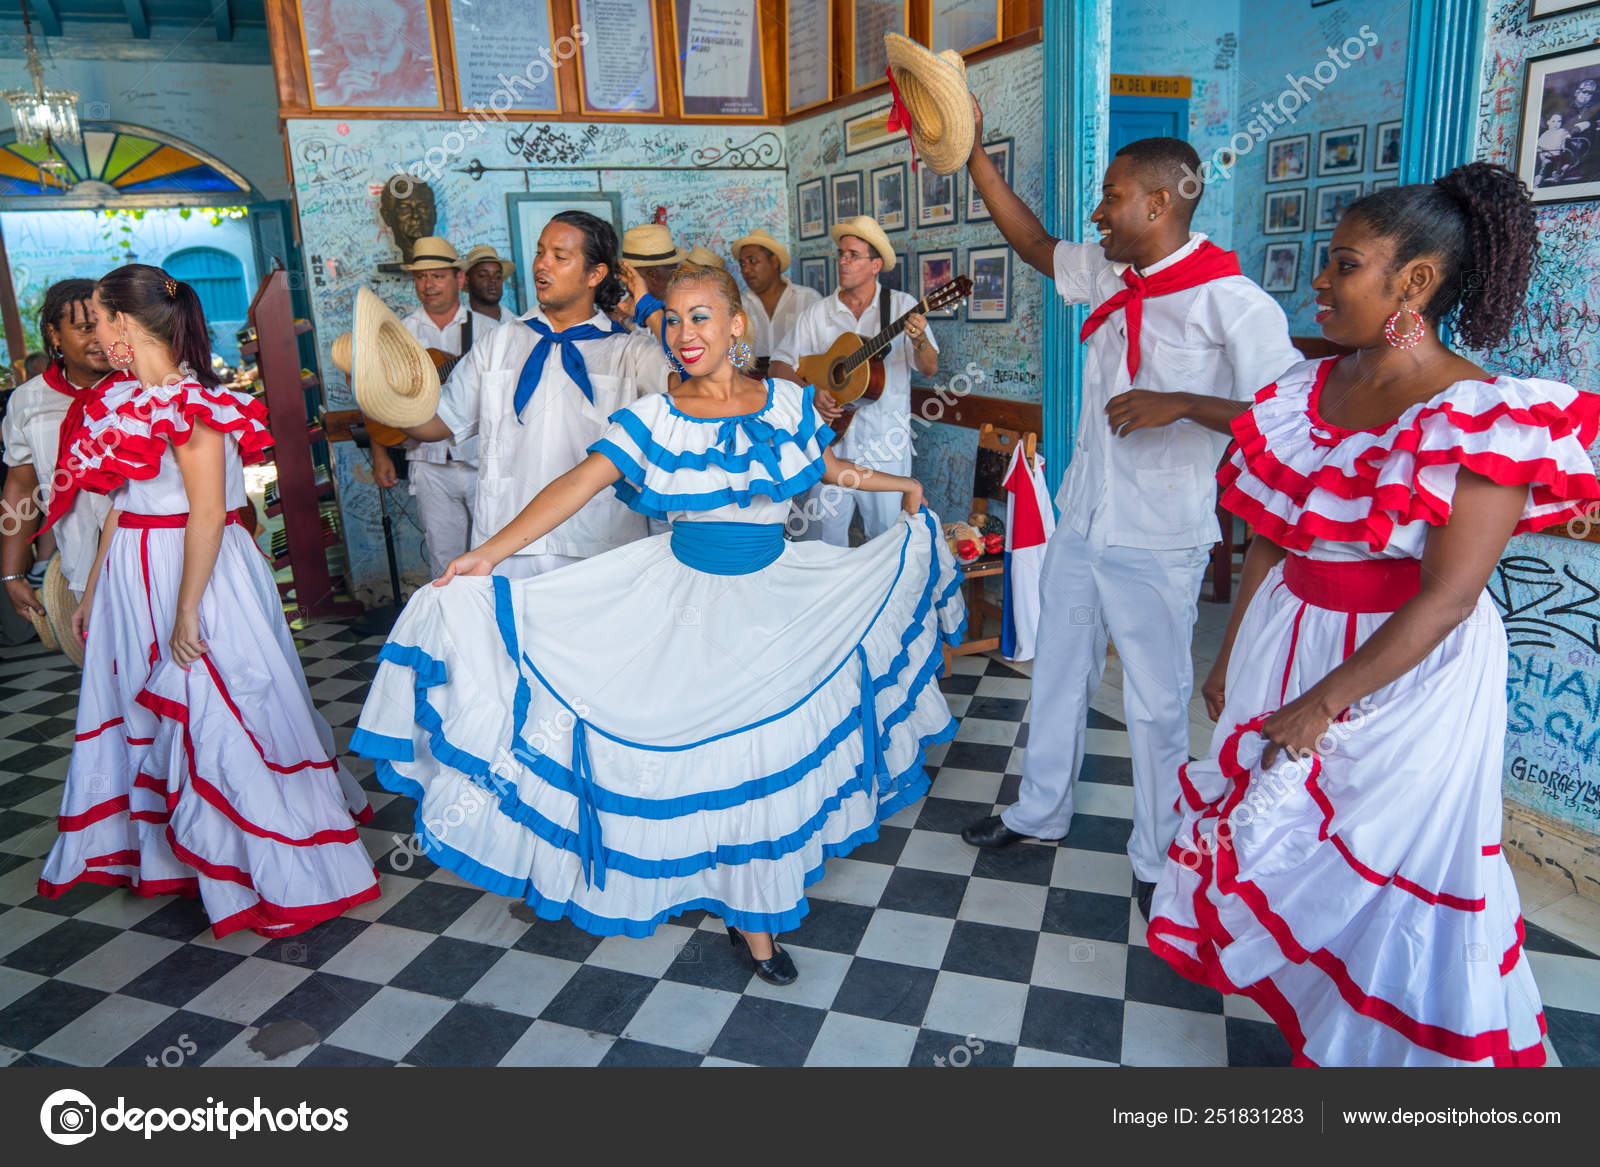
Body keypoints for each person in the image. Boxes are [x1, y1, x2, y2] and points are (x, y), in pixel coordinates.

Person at [351, 264, 965, 982]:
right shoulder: (654, 419)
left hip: (777, 598)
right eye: (672, 320)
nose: (684, 334)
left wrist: (898, 484)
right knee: (710, 755)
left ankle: (755, 913)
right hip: (685, 604)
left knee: (764, 755)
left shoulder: (788, 402)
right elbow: (574, 485)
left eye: (701, 317)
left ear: (737, 325)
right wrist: (485, 554)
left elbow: (824, 466)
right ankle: (726, 895)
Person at [1149, 163, 1595, 1066]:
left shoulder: (1479, 413)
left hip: (1408, 671)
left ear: (1414, 282)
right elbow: (1273, 536)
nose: (1318, 279)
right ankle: (1318, 1011)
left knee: (1395, 861)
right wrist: (1234, 651)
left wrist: (1323, 702)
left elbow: (1451, 595)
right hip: (1290, 632)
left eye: (1343, 264)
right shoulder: (1303, 393)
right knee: (1288, 839)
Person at [956, 115, 1302, 926]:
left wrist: (1181, 401)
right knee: (1058, 669)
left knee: (1153, 700)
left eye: (1111, 199)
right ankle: (1038, 812)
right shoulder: (1112, 274)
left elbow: (1287, 415)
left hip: (1162, 534)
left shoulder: (1232, 300)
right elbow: (1035, 245)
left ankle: (1157, 855)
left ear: (1158, 202)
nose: (1098, 214)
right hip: (1083, 518)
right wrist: (974, 150)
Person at [36, 264, 378, 935]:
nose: (97, 335)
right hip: (136, 571)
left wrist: (188, 607)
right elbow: (118, 506)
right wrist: (97, 584)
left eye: (102, 320)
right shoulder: (122, 400)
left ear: (127, 324)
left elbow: (205, 515)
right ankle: (190, 856)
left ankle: (266, 863)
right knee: (155, 711)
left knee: (219, 708)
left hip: (194, 568)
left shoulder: (194, 404)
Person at [396, 211, 670, 578]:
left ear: (595, 274)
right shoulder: (499, 342)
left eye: (560, 256)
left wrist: (650, 310)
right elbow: (439, 422)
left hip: (599, 546)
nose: (542, 264)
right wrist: (383, 398)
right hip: (507, 542)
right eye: (541, 252)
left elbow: (699, 382)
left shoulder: (628, 352)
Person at [770, 215, 938, 546]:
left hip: (886, 446)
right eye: (841, 254)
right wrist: (811, 393)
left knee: (889, 540)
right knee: (823, 542)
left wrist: (919, 341)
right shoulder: (818, 313)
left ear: (876, 265)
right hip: (831, 444)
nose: (843, 262)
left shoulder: (902, 307)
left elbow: (930, 368)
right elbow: (778, 365)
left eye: (853, 255)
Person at [369, 237, 496, 577]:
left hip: (482, 460)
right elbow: (376, 395)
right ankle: (451, 630)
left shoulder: (491, 332)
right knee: (444, 559)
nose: (429, 285)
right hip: (427, 462)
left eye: (438, 276)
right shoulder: (398, 333)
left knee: (494, 556)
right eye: (422, 277)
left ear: (459, 279)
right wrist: (380, 454)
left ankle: (491, 628)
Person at [3, 280, 123, 619]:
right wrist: (11, 572)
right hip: (81, 567)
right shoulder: (29, 401)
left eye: (108, 324)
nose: (100, 338)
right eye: (86, 328)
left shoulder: (143, 386)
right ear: (55, 335)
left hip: (157, 561)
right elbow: (22, 486)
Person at [734, 228, 820, 374]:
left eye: (753, 261)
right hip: (754, 387)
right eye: (742, 264)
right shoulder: (739, 307)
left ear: (774, 261)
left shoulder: (808, 299)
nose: (746, 270)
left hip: (799, 383)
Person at [462, 244, 515, 322]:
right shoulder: (456, 326)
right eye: (483, 275)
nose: (493, 280)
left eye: (498, 276)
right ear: (467, 280)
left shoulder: (516, 325)